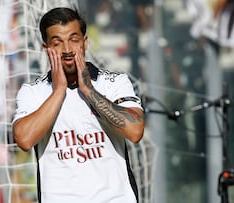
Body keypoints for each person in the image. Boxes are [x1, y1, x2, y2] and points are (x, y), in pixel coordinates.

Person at [12, 7, 145, 203]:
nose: (67, 50)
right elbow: (24, 139)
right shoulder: (33, 92)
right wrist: (59, 91)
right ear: (46, 48)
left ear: (85, 42)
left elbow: (135, 131)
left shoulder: (114, 82)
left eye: (73, 40)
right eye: (57, 43)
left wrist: (89, 91)